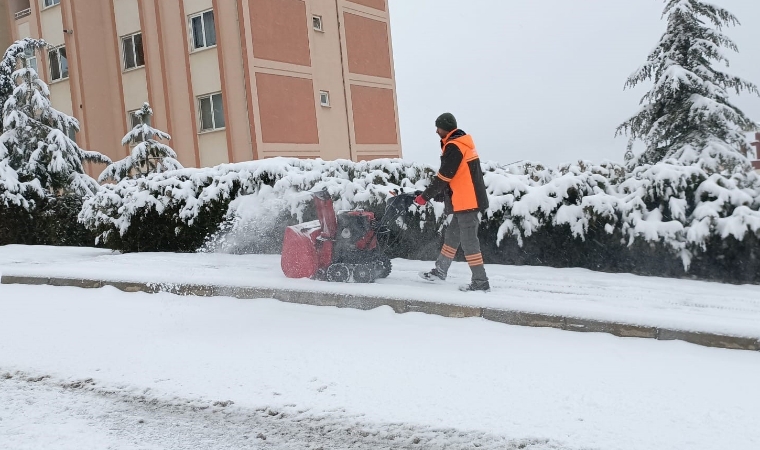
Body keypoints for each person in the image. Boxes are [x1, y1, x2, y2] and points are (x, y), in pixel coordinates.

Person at [415, 113, 490, 292]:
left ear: (446, 128)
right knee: (452, 236)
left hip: (468, 202)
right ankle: (440, 271)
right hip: (464, 200)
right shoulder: (461, 145)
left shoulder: (455, 147)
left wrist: (425, 196)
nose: (436, 131)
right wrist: (442, 194)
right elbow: (459, 177)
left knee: (469, 242)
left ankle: (480, 282)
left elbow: (444, 177)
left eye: (438, 127)